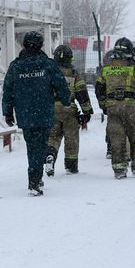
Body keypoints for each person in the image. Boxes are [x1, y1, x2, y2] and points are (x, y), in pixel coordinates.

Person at [2, 31, 70, 195]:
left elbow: (8, 89)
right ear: (41, 45)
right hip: (44, 112)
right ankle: (34, 181)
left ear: (24, 45)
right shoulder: (47, 64)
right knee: (40, 145)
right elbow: (60, 84)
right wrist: (66, 100)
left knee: (32, 146)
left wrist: (8, 112)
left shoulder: (16, 66)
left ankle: (36, 177)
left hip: (25, 113)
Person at [95, 37, 135, 179]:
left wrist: (104, 105)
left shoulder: (106, 68)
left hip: (113, 108)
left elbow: (99, 90)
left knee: (117, 139)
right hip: (133, 108)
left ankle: (119, 169)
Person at [46, 44, 93, 176]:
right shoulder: (74, 74)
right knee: (71, 138)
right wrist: (87, 112)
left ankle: (50, 156)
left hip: (51, 110)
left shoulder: (48, 72)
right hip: (69, 110)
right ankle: (71, 166)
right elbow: (82, 93)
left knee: (53, 136)